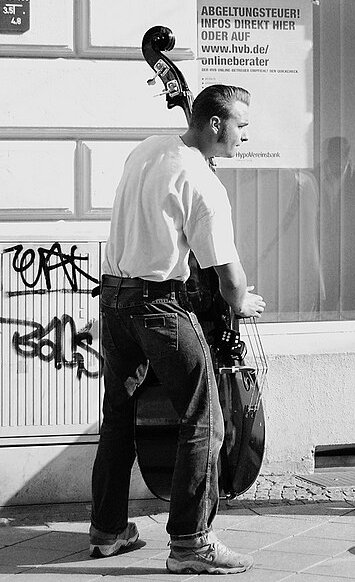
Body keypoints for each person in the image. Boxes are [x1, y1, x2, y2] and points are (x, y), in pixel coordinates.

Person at [89, 84, 265, 574]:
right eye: (241, 126)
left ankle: (107, 531)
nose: (245, 136)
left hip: (114, 297)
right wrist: (242, 301)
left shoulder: (148, 148)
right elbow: (229, 276)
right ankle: (191, 543)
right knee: (204, 419)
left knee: (119, 416)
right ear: (214, 124)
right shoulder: (203, 183)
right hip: (157, 305)